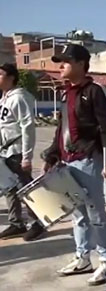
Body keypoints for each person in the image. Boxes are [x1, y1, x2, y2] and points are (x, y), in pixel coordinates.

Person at [43, 44, 106, 285]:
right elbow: (61, 129)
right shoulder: (66, 93)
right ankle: (83, 258)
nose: (60, 66)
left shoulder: (94, 91)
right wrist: (54, 155)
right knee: (78, 215)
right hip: (68, 162)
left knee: (96, 215)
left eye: (65, 61)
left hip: (89, 161)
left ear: (80, 63)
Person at [0, 63, 45, 241]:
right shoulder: (4, 98)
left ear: (11, 77)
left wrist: (27, 156)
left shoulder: (19, 98)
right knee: (9, 188)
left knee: (25, 188)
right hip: (5, 152)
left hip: (17, 151)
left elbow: (27, 127)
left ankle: (38, 222)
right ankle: (16, 222)